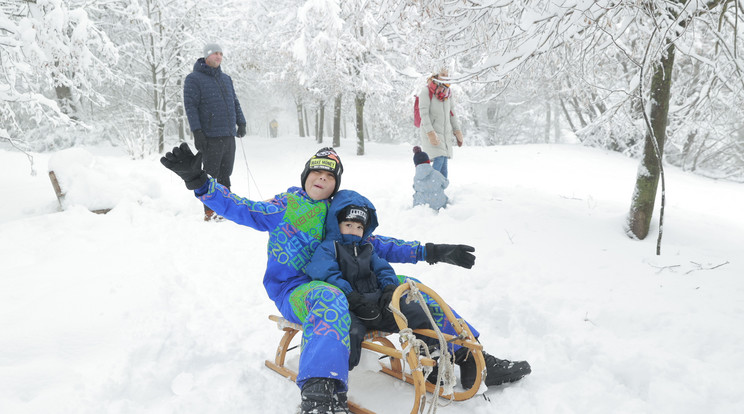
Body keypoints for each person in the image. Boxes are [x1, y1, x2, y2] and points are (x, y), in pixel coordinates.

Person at [160, 144, 529, 413]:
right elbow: (242, 208)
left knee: (407, 290)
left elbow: (379, 244)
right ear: (305, 177)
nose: (321, 177)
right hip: (298, 290)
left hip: (348, 287)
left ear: (335, 185)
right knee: (329, 299)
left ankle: (470, 354)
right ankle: (321, 395)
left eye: (328, 175)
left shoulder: (337, 217)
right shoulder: (284, 206)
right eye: (315, 172)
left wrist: (431, 250)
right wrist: (201, 182)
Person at [306, 190, 440, 371]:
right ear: (337, 225)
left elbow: (383, 269)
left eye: (359, 227)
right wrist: (351, 296)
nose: (354, 231)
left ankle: (431, 359)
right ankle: (334, 375)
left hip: (377, 307)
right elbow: (325, 273)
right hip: (348, 307)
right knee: (349, 332)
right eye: (348, 225)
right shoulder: (329, 249)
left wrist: (389, 290)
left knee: (416, 312)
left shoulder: (367, 248)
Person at [183, 42, 247, 221]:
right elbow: (191, 107)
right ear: (206, 56)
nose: (218, 56)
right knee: (211, 174)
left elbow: (234, 102)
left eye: (220, 53)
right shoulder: (194, 79)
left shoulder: (226, 79)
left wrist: (241, 122)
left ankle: (225, 209)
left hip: (228, 135)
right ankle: (210, 211)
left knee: (226, 173)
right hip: (210, 136)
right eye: (214, 53)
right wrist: (197, 131)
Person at [417, 68, 464, 179]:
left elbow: (452, 113)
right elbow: (423, 114)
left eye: (447, 74)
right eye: (443, 74)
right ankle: (428, 189)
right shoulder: (426, 91)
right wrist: (430, 132)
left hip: (445, 133)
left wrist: (457, 130)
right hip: (432, 132)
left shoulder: (447, 93)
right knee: (439, 160)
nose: (445, 76)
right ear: (437, 75)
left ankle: (439, 193)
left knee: (443, 167)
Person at [412, 146, 449, 210]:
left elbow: (415, 188)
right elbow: (445, 184)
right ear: (428, 161)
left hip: (422, 205)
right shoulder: (436, 174)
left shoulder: (416, 178)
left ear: (416, 165)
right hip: (438, 204)